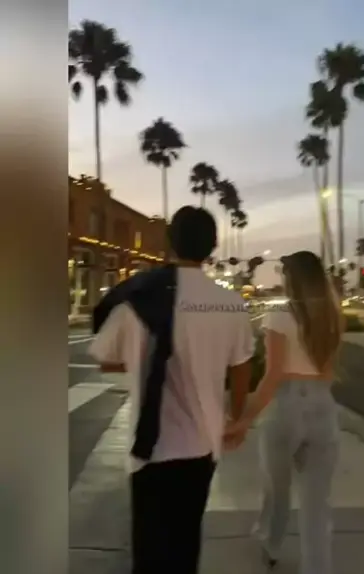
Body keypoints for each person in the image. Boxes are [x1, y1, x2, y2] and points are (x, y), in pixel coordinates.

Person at [89, 206, 254, 574]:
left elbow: (106, 359)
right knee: (185, 542)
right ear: (212, 247)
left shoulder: (141, 298)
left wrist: (144, 358)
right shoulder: (230, 303)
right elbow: (241, 366)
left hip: (150, 449)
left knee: (149, 552)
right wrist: (237, 417)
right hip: (203, 445)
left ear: (171, 243)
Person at [224, 250, 344, 574]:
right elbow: (328, 371)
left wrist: (244, 420)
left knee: (277, 487)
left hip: (286, 405)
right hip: (323, 406)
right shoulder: (332, 315)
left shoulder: (279, 315)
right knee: (317, 504)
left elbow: (273, 375)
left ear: (293, 278)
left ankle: (270, 544)